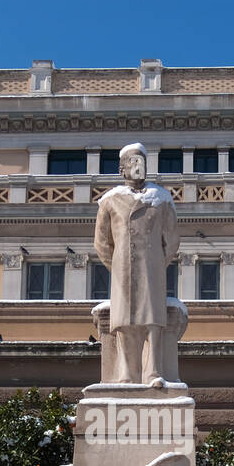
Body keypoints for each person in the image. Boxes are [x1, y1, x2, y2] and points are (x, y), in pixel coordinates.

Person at [92, 142, 180, 385]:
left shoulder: (161, 199)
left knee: (153, 321)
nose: (137, 167)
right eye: (132, 162)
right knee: (125, 323)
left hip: (152, 270)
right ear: (122, 169)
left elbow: (172, 239)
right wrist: (118, 266)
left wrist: (156, 263)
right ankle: (127, 374)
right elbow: (101, 242)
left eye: (141, 162)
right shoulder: (110, 200)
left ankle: (153, 372)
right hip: (123, 270)